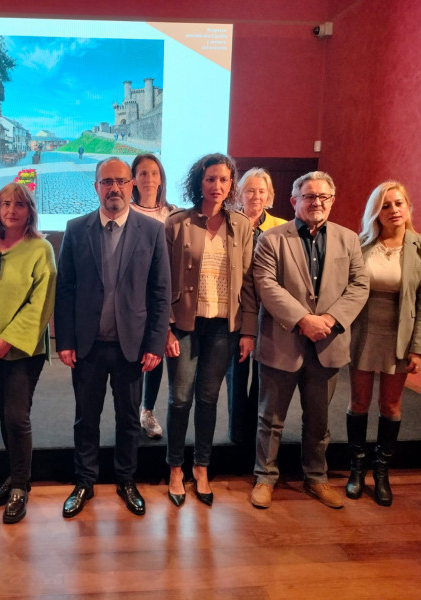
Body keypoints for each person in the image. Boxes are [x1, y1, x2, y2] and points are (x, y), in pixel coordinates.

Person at [55, 157, 170, 518]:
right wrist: (65, 340)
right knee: (85, 418)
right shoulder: (76, 229)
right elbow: (66, 289)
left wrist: (154, 344)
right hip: (87, 346)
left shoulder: (151, 232)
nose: (115, 188)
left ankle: (126, 479)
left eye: (121, 181)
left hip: (131, 347)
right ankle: (85, 481)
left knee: (126, 418)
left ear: (132, 184)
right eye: (107, 182)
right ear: (96, 188)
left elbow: (160, 292)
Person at [250, 171, 368, 510]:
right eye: (309, 196)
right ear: (294, 201)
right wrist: (304, 320)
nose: (316, 202)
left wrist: (329, 320)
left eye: (323, 197)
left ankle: (316, 478)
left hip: (328, 343)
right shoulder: (271, 239)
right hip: (282, 341)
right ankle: (265, 477)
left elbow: (359, 286)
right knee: (269, 419)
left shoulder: (349, 240)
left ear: (332, 200)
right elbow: (266, 285)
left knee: (318, 420)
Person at [164, 154, 258, 508]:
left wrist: (248, 331)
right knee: (180, 399)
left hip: (224, 328)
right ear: (198, 182)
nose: (216, 186)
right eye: (209, 179)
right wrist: (164, 330)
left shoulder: (243, 226)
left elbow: (249, 283)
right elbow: (161, 283)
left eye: (223, 179)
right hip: (184, 326)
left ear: (231, 184)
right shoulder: (177, 224)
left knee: (208, 399)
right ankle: (175, 467)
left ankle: (201, 467)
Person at [0, 183, 57, 524]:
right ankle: (14, 475)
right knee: (4, 415)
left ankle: (20, 485)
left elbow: (41, 302)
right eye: (5, 203)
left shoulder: (41, 249)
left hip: (22, 350)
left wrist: (8, 339)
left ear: (29, 210)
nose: (11, 210)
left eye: (19, 204)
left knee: (18, 416)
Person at [346, 181, 421, 506]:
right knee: (358, 403)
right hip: (363, 332)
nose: (394, 210)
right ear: (376, 212)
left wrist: (420, 347)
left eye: (399, 203)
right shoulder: (360, 244)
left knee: (390, 406)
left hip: (400, 336)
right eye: (386, 205)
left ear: (408, 207)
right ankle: (356, 468)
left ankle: (381, 471)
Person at [225, 168, 287, 446]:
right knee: (236, 374)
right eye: (250, 190)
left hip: (268, 312)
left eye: (262, 191)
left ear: (270, 195)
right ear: (239, 193)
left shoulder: (282, 227)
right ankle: (237, 436)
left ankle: (257, 435)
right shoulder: (228, 223)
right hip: (235, 311)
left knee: (264, 376)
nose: (256, 196)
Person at [130, 153, 173, 440]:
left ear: (161, 178)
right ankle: (130, 413)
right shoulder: (125, 213)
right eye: (142, 173)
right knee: (133, 360)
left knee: (154, 356)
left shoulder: (174, 214)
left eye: (153, 173)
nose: (148, 179)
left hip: (162, 298)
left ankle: (148, 410)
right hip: (132, 300)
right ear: (133, 179)